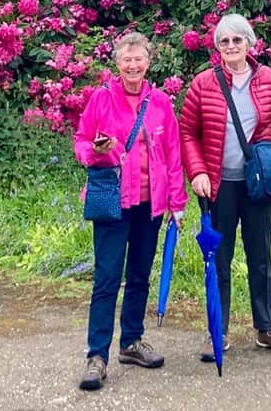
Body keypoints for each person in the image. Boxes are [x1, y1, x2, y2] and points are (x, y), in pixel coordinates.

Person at [179, 13, 271, 358]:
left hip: (257, 186)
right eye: (224, 41)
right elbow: (187, 133)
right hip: (218, 186)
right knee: (218, 258)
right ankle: (217, 331)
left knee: (260, 256)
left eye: (237, 40)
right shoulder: (203, 83)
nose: (231, 46)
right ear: (217, 47)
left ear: (249, 43)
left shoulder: (269, 81)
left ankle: (267, 328)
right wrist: (197, 171)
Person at [73, 30, 187, 391]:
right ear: (117, 63)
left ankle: (132, 342)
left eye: (139, 59)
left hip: (150, 203)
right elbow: (81, 142)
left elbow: (172, 153)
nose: (133, 65)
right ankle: (97, 355)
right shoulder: (101, 98)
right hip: (112, 200)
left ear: (148, 62)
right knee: (107, 278)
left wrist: (177, 202)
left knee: (139, 274)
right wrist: (95, 150)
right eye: (127, 59)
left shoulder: (161, 102)